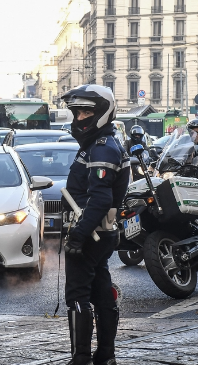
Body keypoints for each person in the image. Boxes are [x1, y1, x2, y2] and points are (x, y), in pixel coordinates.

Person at [59, 84, 126, 365]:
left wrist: (77, 235)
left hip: (92, 233)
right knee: (101, 292)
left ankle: (81, 358)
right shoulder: (97, 146)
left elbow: (100, 199)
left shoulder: (101, 149)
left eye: (86, 112)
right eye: (76, 112)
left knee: (77, 295)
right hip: (97, 232)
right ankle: (105, 356)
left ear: (102, 113)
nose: (80, 118)